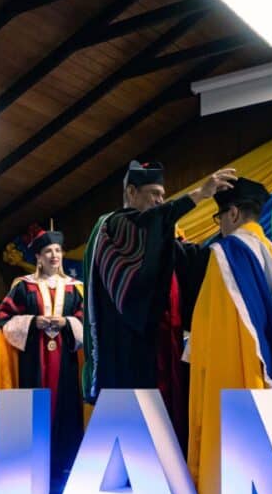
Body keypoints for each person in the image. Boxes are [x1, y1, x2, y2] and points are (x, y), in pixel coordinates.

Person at [187, 177, 272, 494]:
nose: (219, 227)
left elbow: (219, 322)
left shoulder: (226, 253)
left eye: (218, 218)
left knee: (241, 442)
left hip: (240, 362)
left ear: (231, 213)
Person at [82, 161, 234, 446]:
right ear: (131, 191)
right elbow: (145, 227)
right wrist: (199, 194)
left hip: (165, 343)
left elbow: (189, 260)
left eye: (163, 195)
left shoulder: (158, 236)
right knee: (137, 420)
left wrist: (228, 241)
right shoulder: (112, 226)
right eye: (154, 193)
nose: (160, 201)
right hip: (127, 344)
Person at [0, 229, 84, 478]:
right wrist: (34, 321)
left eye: (58, 250)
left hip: (67, 357)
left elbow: (86, 320)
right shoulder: (24, 286)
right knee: (35, 405)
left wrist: (67, 324)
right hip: (33, 357)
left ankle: (64, 462)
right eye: (48, 251)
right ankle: (33, 464)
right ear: (38, 257)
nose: (54, 255)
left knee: (68, 405)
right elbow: (5, 317)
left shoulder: (76, 288)